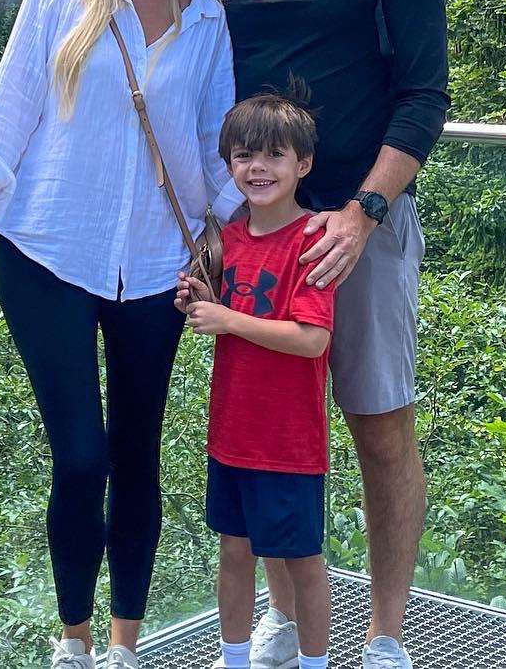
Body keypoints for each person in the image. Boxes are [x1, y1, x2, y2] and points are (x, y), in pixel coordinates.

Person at [0, 0, 241, 669]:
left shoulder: (206, 19)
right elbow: (8, 114)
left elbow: (213, 135)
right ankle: (73, 638)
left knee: (138, 454)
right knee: (80, 456)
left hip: (161, 263)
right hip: (50, 247)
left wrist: (231, 227)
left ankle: (125, 641)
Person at [213, 0, 448, 669]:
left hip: (361, 228)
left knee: (380, 426)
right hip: (259, 234)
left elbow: (424, 97)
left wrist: (362, 212)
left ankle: (387, 634)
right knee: (267, 427)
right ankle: (283, 615)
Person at [178, 93, 334, 669]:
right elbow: (220, 313)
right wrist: (198, 302)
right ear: (228, 165)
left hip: (290, 443)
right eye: (244, 156)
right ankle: (236, 658)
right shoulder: (227, 242)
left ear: (304, 164)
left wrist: (227, 320)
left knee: (303, 560)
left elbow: (312, 338)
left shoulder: (313, 241)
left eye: (275, 154)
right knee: (233, 552)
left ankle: (316, 662)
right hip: (231, 434)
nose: (258, 168)